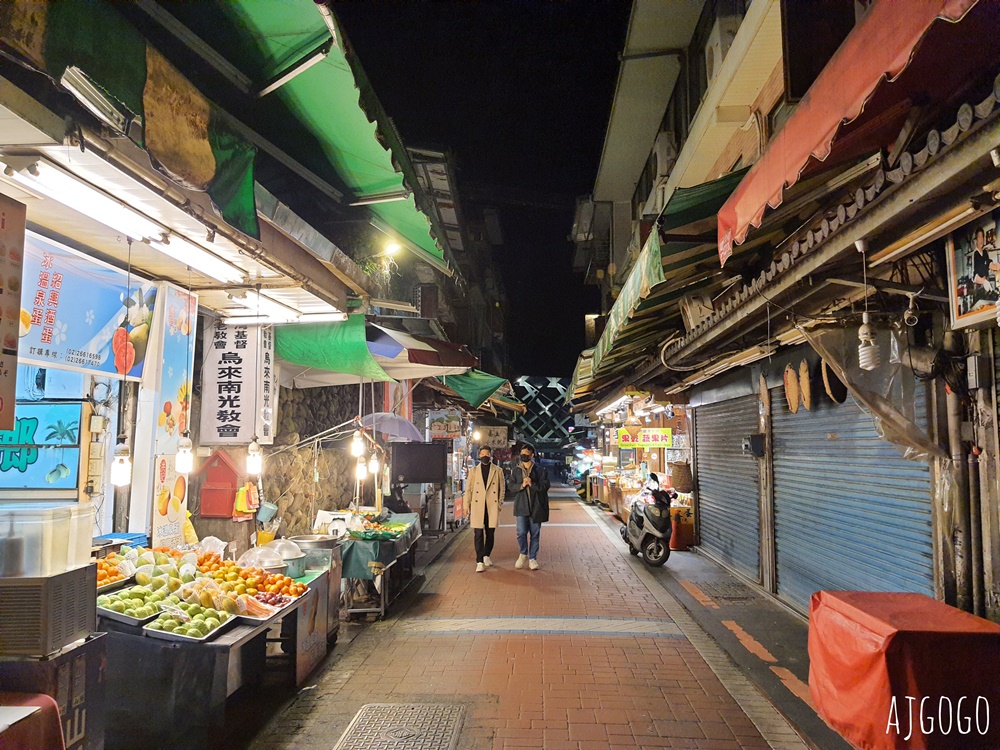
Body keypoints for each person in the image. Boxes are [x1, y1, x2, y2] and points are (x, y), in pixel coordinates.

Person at [507, 444, 549, 570]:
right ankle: (523, 553)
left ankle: (532, 558)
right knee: (521, 532)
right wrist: (522, 485)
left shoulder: (540, 470)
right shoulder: (516, 470)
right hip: (521, 506)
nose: (523, 455)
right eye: (522, 453)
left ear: (532, 455)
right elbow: (511, 487)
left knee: (535, 533)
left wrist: (532, 484)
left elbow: (545, 486)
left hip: (536, 507)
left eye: (526, 453)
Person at [465, 445, 505, 572]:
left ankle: (487, 554)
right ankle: (479, 560)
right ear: (479, 455)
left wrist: (499, 503)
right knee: (477, 533)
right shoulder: (473, 471)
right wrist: (467, 506)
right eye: (482, 454)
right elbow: (469, 489)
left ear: (490, 455)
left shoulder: (497, 470)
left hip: (491, 505)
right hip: (478, 505)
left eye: (487, 454)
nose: (484, 456)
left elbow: (502, 488)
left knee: (490, 533)